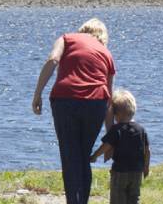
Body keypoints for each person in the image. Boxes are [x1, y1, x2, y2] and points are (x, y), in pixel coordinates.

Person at [32, 18, 116, 204]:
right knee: (83, 156)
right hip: (96, 103)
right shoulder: (106, 53)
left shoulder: (67, 38)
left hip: (65, 100)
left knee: (70, 156)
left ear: (82, 30)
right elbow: (109, 98)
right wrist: (111, 136)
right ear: (102, 36)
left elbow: (53, 59)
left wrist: (37, 94)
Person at [90, 89, 150, 204]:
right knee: (134, 197)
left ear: (115, 114)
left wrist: (94, 156)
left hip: (120, 172)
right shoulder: (141, 129)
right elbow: (147, 150)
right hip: (137, 171)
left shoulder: (116, 129)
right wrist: (146, 167)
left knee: (118, 198)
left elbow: (106, 146)